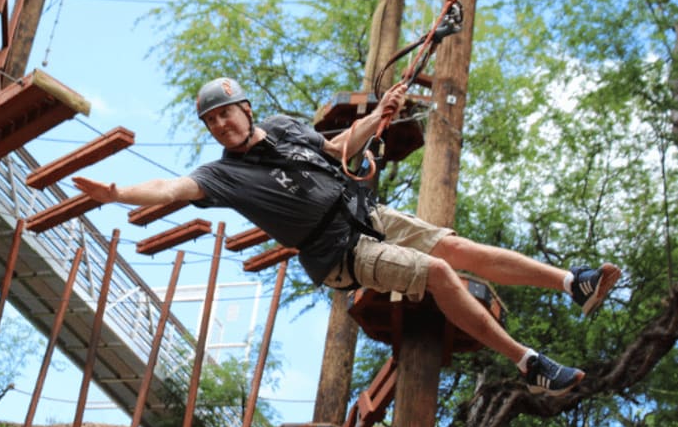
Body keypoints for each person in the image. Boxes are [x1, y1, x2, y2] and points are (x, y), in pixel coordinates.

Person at [73, 77, 621, 396]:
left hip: (365, 211)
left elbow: (337, 151)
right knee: (436, 272)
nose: (220, 126)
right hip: (340, 249)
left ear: (245, 108)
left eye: (224, 114)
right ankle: (529, 362)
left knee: (455, 247)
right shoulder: (220, 175)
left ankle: (573, 282)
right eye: (210, 122)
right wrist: (119, 193)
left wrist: (378, 116)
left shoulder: (286, 126)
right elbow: (170, 189)